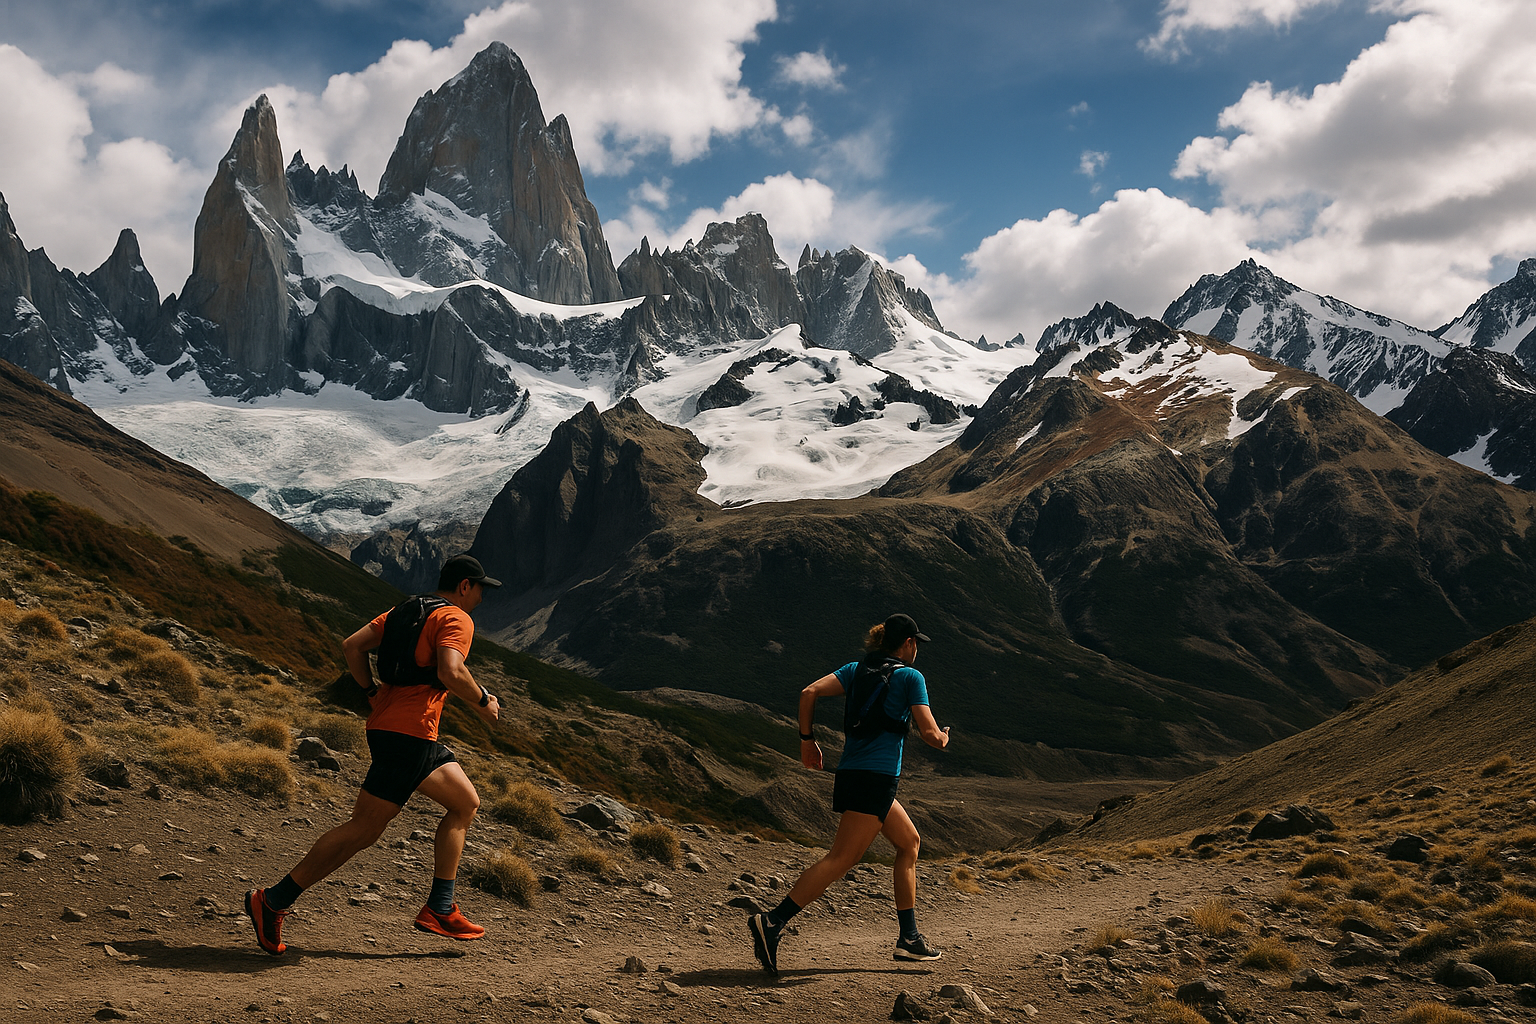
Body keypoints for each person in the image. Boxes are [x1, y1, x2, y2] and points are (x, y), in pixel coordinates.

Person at [244, 554, 503, 955]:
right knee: (364, 828)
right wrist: (484, 700)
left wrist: (369, 693)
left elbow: (353, 646)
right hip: (409, 733)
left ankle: (440, 905)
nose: (482, 598)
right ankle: (273, 900)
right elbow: (451, 671)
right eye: (481, 589)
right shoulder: (456, 617)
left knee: (465, 802)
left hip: (399, 730)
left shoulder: (405, 610)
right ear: (465, 585)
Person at [748, 613, 950, 975]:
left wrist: (807, 742)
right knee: (841, 858)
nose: (917, 648)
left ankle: (909, 939)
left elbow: (809, 692)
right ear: (907, 644)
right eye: (916, 642)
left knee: (909, 843)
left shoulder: (857, 669)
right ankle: (773, 921)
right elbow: (931, 735)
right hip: (876, 779)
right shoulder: (909, 676)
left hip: (856, 774)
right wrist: (945, 737)